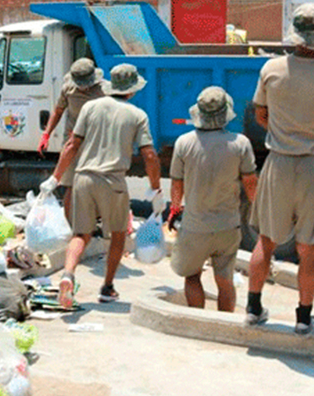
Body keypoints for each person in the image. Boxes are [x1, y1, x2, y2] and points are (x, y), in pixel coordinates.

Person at [246, 2, 314, 335]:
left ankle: (253, 309)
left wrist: (284, 138)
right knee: (308, 248)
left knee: (265, 241)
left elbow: (261, 116)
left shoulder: (271, 69)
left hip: (278, 163)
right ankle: (303, 318)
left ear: (295, 35)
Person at [40, 64, 163, 306]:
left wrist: (55, 177)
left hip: (83, 178)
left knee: (80, 234)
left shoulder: (89, 107)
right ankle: (107, 287)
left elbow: (72, 145)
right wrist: (155, 188)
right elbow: (149, 155)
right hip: (113, 181)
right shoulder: (137, 115)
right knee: (117, 235)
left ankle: (67, 275)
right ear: (132, 90)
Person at [168, 87, 258, 311]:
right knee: (225, 280)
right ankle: (224, 322)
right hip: (228, 226)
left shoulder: (183, 143)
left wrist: (175, 210)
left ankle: (198, 319)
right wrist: (258, 212)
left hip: (195, 226)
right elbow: (250, 183)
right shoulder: (241, 144)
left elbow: (177, 184)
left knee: (191, 276)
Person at [38, 58, 107, 222]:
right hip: (73, 141)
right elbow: (58, 110)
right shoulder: (68, 87)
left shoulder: (104, 90)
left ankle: (97, 223)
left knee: (97, 184)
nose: (84, 87)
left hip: (96, 142)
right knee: (70, 185)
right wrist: (46, 134)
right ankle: (70, 227)